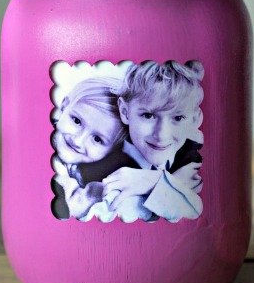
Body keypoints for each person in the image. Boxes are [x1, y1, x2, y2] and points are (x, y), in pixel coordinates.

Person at [103, 61, 205, 221]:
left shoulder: (197, 160)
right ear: (125, 111)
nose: (162, 135)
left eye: (178, 118)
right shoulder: (102, 168)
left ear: (195, 119)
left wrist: (153, 181)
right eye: (148, 115)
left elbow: (197, 213)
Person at [51, 77, 128, 220]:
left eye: (98, 139)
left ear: (111, 151)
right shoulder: (39, 145)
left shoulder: (92, 177)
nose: (78, 141)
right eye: (76, 121)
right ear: (64, 106)